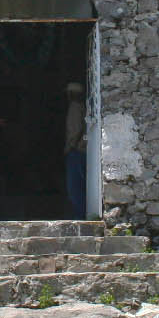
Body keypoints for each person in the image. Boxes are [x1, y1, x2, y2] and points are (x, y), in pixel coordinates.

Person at [64, 82, 87, 219]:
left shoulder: (74, 107)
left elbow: (75, 129)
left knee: (75, 188)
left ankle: (80, 217)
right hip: (83, 150)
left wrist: (71, 146)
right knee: (82, 186)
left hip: (76, 151)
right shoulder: (84, 107)